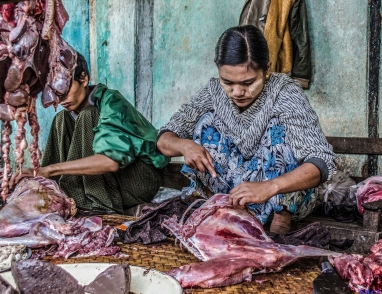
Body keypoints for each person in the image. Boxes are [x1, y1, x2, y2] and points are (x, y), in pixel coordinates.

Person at [157, 25, 337, 234]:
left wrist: (270, 187)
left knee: (278, 127)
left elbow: (323, 161)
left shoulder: (285, 93)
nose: (237, 92)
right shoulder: (214, 92)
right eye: (228, 82)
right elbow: (164, 138)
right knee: (206, 122)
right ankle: (220, 208)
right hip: (232, 192)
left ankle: (281, 218)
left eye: (248, 82)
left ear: (267, 69)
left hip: (277, 194)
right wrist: (183, 145)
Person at [10, 53, 169, 214]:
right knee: (60, 118)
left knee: (88, 114)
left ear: (84, 79)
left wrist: (49, 170)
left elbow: (110, 162)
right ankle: (68, 196)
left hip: (139, 182)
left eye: (65, 88)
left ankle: (97, 204)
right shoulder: (66, 116)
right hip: (112, 185)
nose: (61, 98)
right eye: (55, 91)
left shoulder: (110, 101)